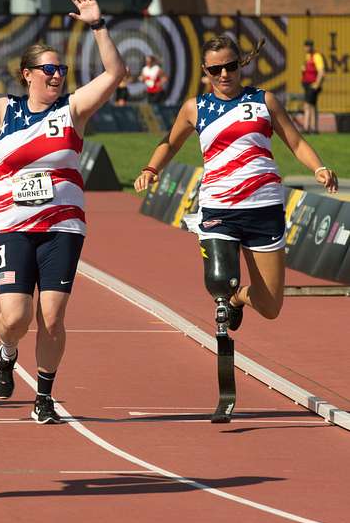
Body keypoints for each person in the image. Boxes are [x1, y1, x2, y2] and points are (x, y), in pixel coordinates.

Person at [0, 0, 126, 424]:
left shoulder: (73, 109)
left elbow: (115, 72)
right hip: (12, 225)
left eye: (60, 69)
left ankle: (44, 395)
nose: (57, 75)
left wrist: (98, 25)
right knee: (15, 317)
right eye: (48, 70)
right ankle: (6, 354)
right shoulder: (5, 111)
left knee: (53, 317)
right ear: (27, 75)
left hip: (63, 226)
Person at [134, 35, 337, 330]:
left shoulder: (263, 101)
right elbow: (170, 144)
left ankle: (237, 299)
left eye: (230, 66)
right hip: (219, 208)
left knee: (271, 307)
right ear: (205, 71)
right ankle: (225, 297)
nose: (224, 75)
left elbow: (296, 142)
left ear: (240, 64)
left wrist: (319, 167)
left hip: (264, 208)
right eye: (215, 70)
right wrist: (151, 168)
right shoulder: (195, 107)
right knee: (219, 280)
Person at [301, 39, 325, 134]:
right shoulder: (308, 56)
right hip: (307, 84)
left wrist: (316, 84)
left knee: (307, 106)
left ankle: (307, 127)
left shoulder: (317, 56)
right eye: (306, 46)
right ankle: (313, 128)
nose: (307, 48)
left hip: (313, 85)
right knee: (312, 106)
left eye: (309, 46)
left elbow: (321, 71)